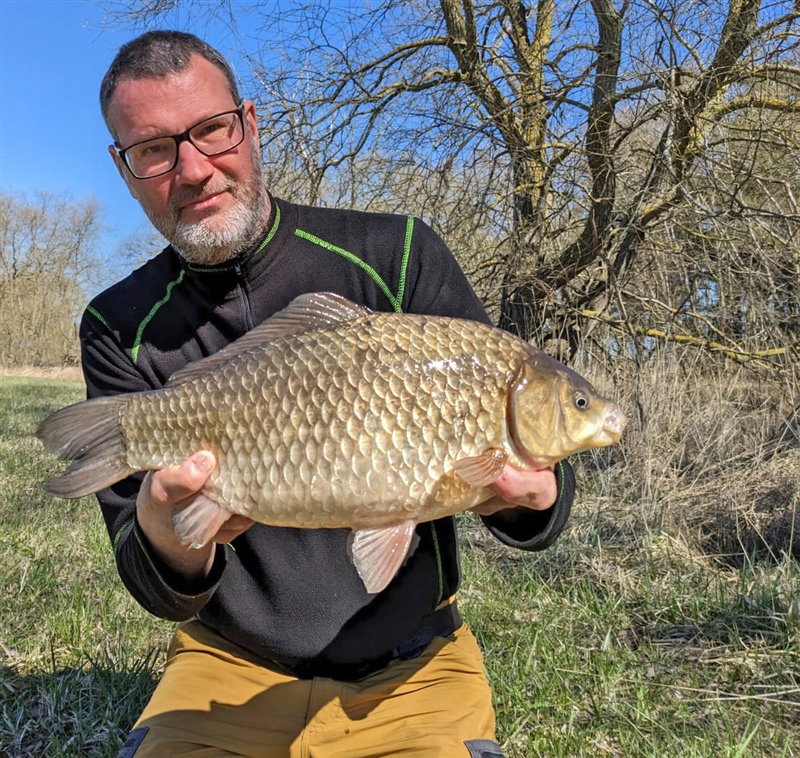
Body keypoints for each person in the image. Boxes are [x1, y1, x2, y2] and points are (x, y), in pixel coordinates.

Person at [86, 30, 575, 758]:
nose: (192, 168)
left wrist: (530, 498)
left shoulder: (398, 253)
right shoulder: (118, 325)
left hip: (415, 668)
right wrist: (169, 534)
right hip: (223, 666)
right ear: (123, 167)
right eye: (154, 150)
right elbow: (153, 581)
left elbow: (541, 498)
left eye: (213, 130)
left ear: (249, 125)